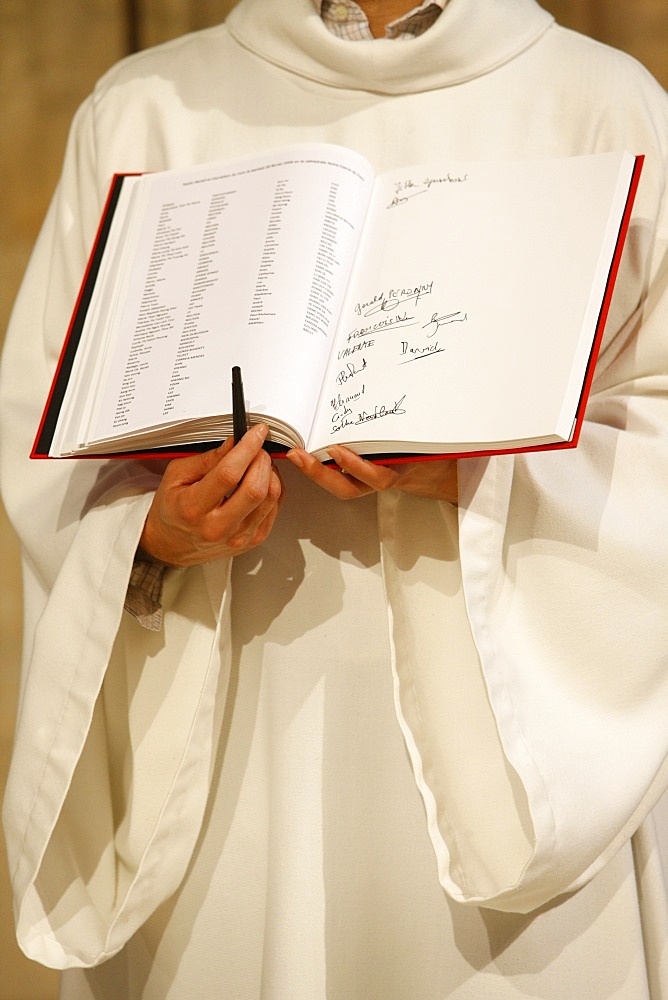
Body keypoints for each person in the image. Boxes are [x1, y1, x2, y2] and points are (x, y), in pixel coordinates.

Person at [2, 0, 667, 996]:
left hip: (508, 761)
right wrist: (152, 533)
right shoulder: (143, 112)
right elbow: (38, 435)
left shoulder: (600, 107)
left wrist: (474, 467)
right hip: (225, 764)